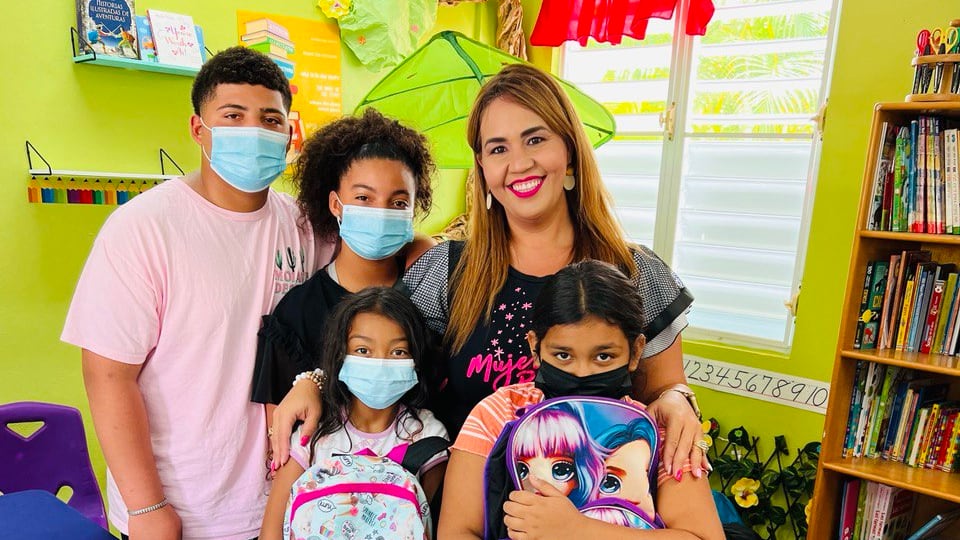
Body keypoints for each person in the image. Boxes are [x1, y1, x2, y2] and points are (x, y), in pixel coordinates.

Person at [270, 62, 707, 477]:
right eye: (499, 148)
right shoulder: (445, 272)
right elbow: (374, 344)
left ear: (570, 153)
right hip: (463, 511)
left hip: (595, 511)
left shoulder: (636, 272)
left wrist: (678, 401)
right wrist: (313, 380)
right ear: (483, 168)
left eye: (535, 140)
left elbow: (667, 388)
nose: (519, 163)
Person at [61, 47, 334, 540]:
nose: (254, 130)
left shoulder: (304, 225)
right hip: (178, 511)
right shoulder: (144, 228)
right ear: (197, 129)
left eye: (271, 119)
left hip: (282, 505)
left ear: (288, 134)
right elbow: (107, 376)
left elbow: (354, 291)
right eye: (233, 115)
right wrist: (147, 508)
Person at [439, 260, 723, 539]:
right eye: (563, 355)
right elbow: (458, 531)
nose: (582, 373)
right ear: (535, 348)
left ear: (635, 351)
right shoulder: (498, 413)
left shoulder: (656, 431)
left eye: (603, 356)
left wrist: (580, 530)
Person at [251, 108, 436, 428]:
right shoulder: (297, 315)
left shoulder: (428, 298)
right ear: (336, 204)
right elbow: (280, 440)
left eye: (399, 203)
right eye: (364, 197)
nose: (381, 212)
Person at [260, 287, 448, 540]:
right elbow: (271, 532)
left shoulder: (426, 434)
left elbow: (429, 525)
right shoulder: (314, 432)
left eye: (398, 352)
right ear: (340, 355)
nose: (381, 362)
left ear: (416, 360)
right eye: (363, 350)